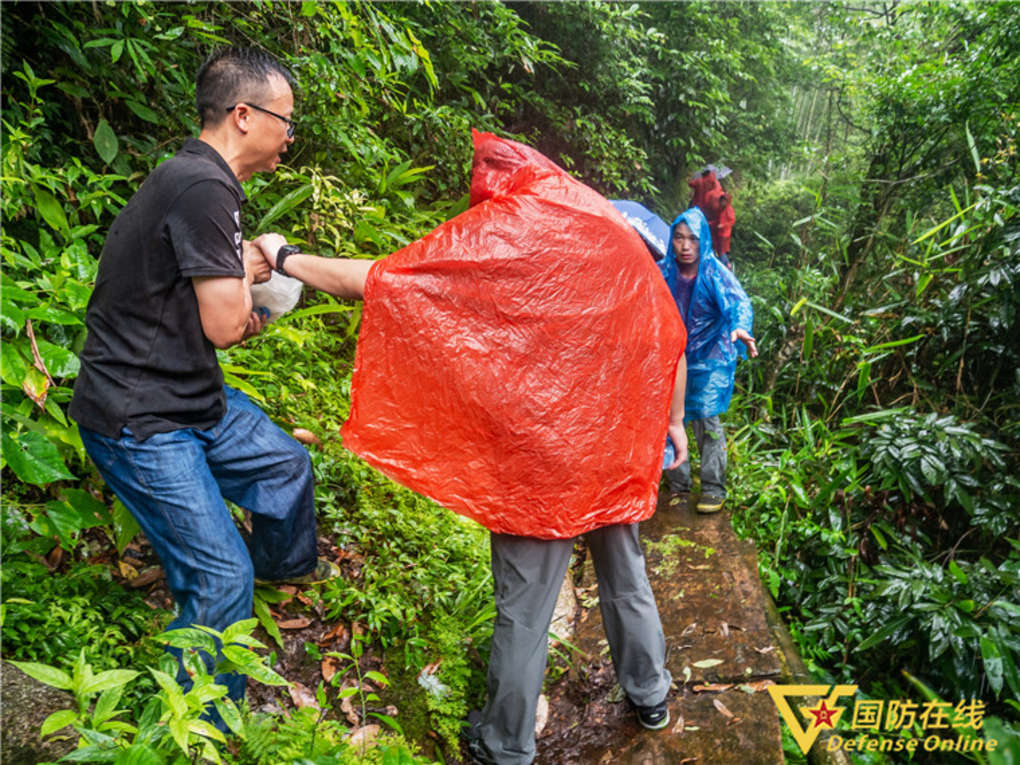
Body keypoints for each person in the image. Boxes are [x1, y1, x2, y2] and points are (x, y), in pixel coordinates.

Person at [249, 233, 688, 765]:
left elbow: (377, 281)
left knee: (525, 613)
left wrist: (285, 259)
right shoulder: (623, 268)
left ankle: (507, 745)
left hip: (536, 467)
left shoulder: (510, 256)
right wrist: (673, 422)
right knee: (626, 578)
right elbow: (670, 340)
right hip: (606, 451)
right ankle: (651, 698)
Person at [69, 47, 356, 712]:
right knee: (221, 577)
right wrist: (267, 304)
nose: (292, 136)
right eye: (289, 122)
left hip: (191, 394)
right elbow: (225, 326)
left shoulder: (199, 181)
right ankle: (198, 728)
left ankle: (270, 577)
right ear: (244, 116)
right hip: (140, 418)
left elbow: (191, 281)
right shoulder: (204, 185)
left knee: (286, 467)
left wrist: (246, 275)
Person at [660, 206, 757, 513]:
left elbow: (738, 302)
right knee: (670, 418)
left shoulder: (714, 272)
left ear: (703, 241)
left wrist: (740, 326)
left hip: (709, 358)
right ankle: (679, 483)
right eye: (679, 238)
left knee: (706, 420)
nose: (685, 246)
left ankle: (713, 487)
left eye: (692, 239)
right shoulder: (663, 271)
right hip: (674, 358)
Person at [689, 167, 735, 269]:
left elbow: (691, 184)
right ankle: (722, 264)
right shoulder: (715, 183)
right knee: (718, 247)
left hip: (698, 207)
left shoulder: (700, 181)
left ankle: (723, 265)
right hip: (711, 217)